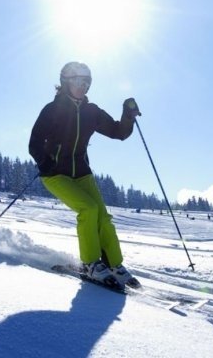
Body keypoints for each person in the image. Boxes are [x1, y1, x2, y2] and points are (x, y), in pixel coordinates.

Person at [29, 62, 141, 289]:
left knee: (102, 216)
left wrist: (128, 115)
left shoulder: (92, 112)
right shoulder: (52, 110)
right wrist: (45, 161)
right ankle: (90, 263)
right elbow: (34, 143)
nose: (82, 87)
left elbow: (118, 132)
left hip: (81, 172)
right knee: (87, 209)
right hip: (55, 173)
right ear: (65, 83)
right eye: (77, 82)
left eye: (86, 83)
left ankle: (114, 265)